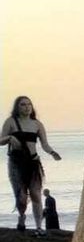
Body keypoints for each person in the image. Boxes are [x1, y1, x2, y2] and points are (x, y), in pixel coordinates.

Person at [1, 97, 62, 234]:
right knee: (21, 197)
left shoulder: (37, 124)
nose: (27, 107)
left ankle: (39, 227)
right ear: (17, 107)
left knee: (36, 195)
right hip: (16, 163)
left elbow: (44, 144)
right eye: (23, 105)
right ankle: (22, 216)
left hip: (33, 162)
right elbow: (1, 140)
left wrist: (52, 153)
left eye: (29, 104)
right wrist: (10, 138)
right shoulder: (11, 122)